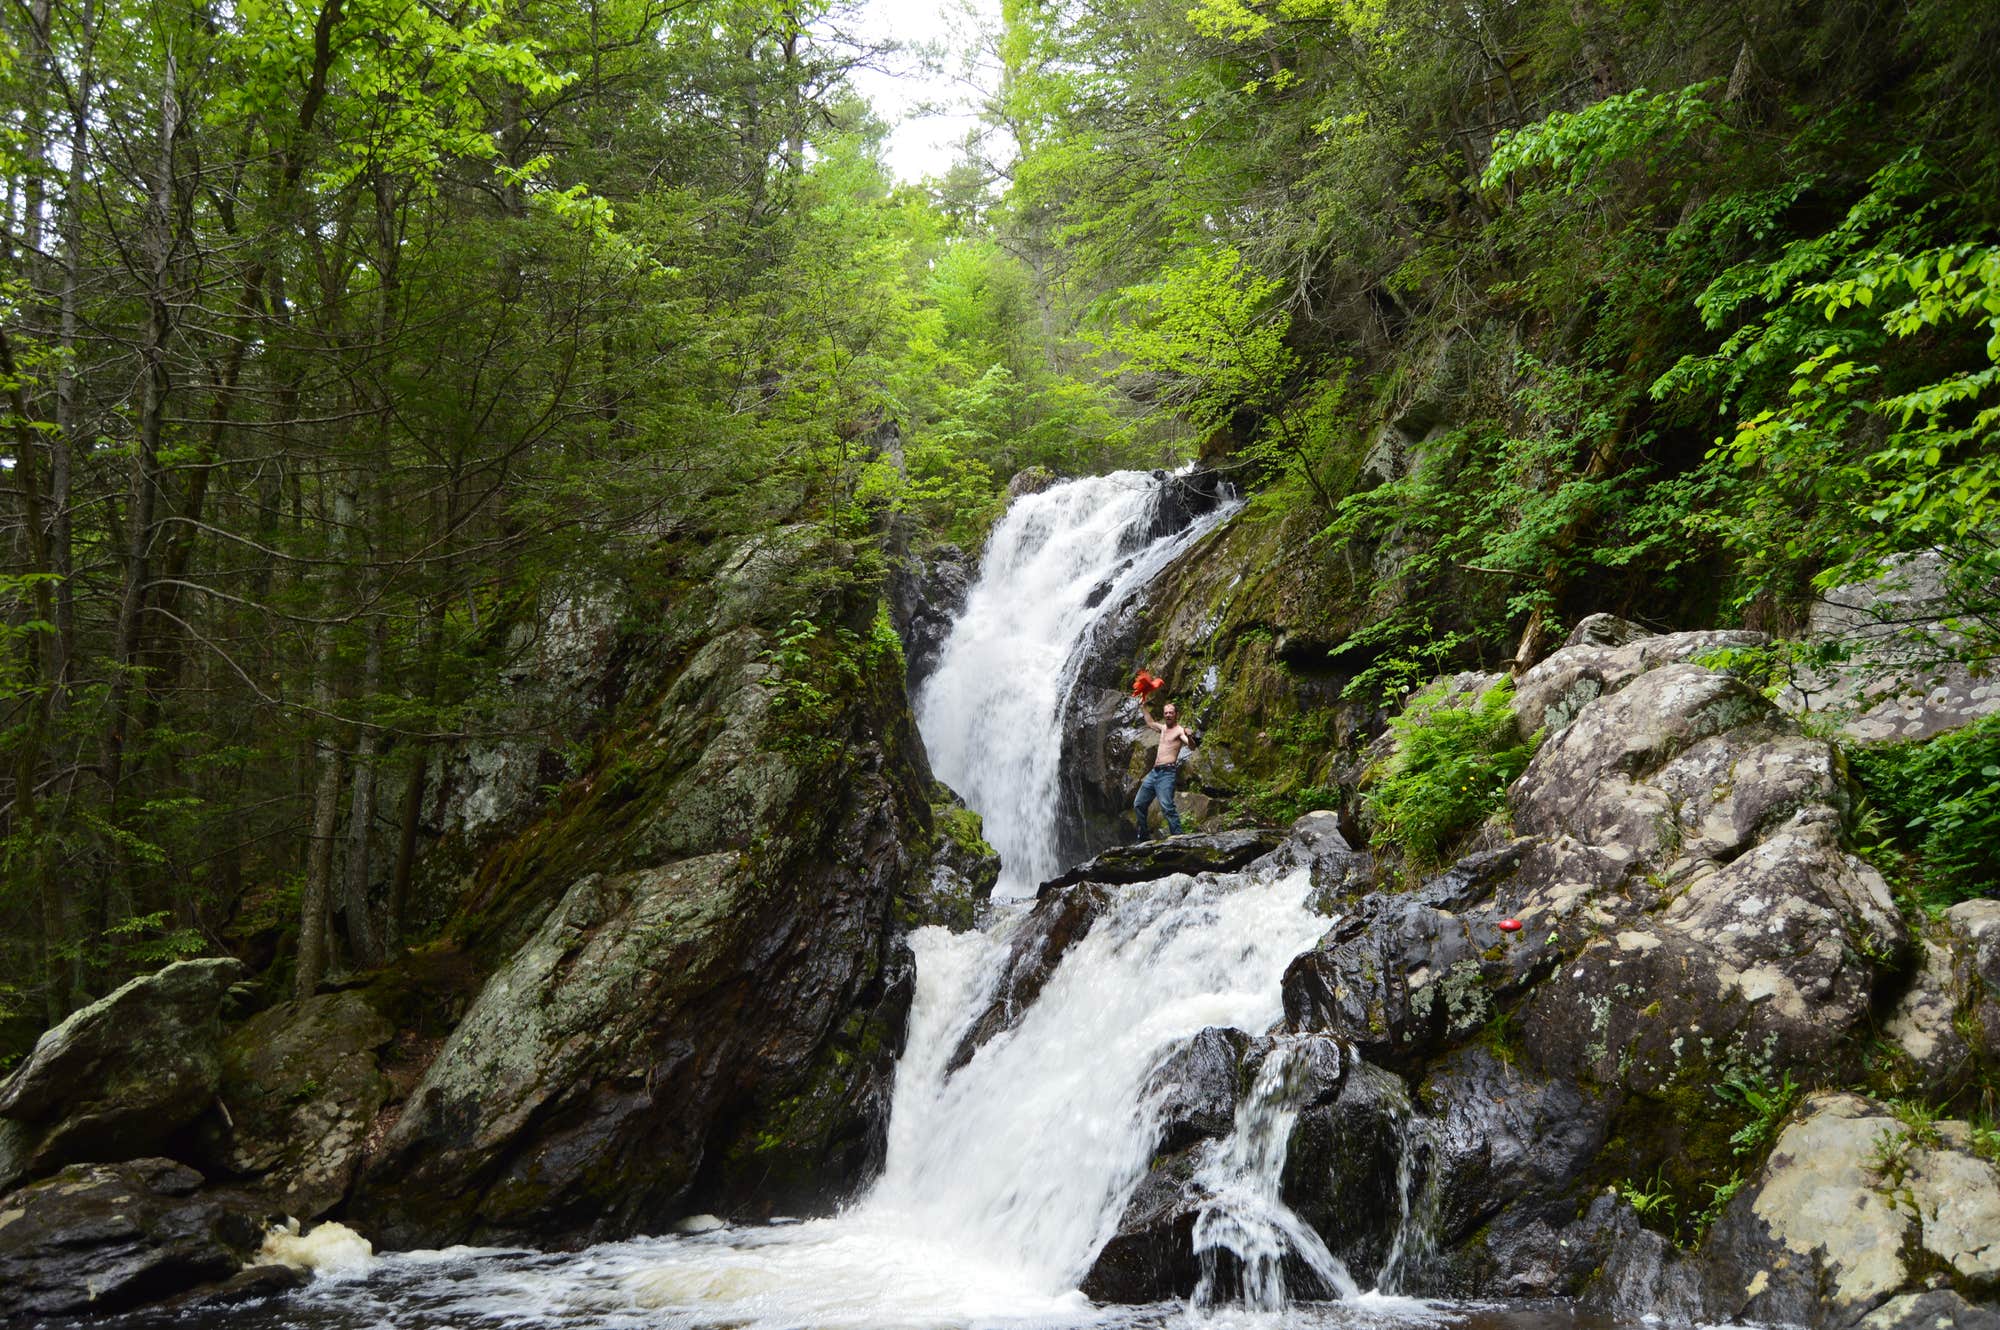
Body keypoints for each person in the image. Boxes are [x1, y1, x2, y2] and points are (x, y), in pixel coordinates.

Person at [1133, 697, 1192, 839]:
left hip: (1167, 773)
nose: (1168, 715)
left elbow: (1191, 746)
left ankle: (1179, 838)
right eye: (1166, 713)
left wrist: (1190, 737)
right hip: (1154, 773)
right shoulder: (1163, 728)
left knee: (1167, 807)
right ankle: (1144, 837)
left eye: (1171, 713)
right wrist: (1143, 707)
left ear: (1176, 714)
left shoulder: (1179, 731)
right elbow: (1150, 722)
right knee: (1138, 804)